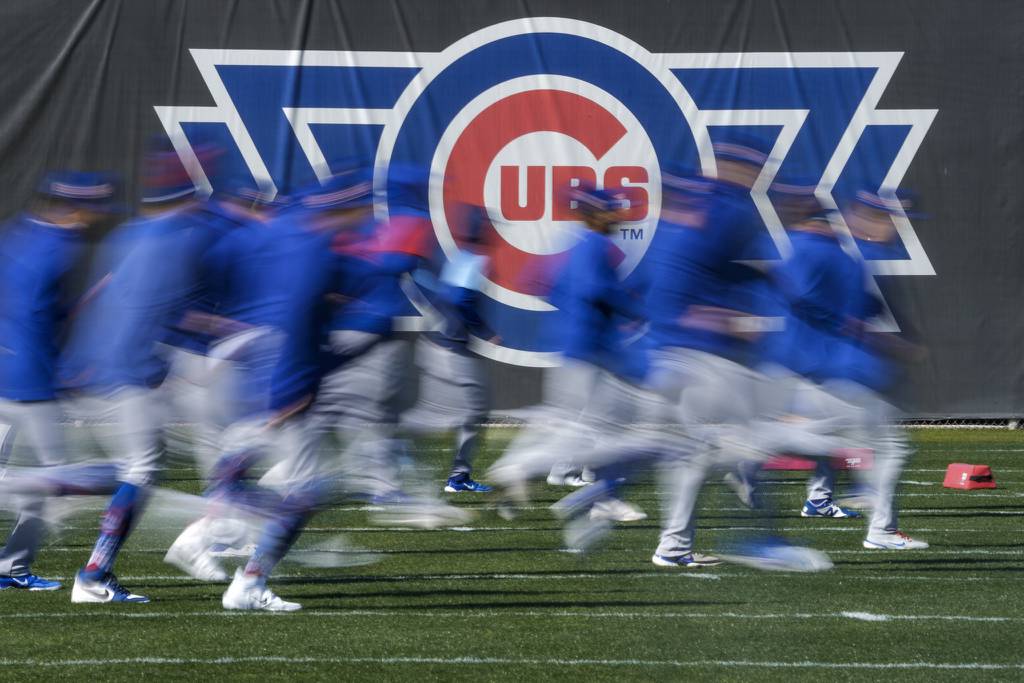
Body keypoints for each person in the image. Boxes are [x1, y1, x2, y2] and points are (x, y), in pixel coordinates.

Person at [0, 172, 117, 591]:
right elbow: (39, 316)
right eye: (95, 208)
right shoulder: (61, 249)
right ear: (76, 208)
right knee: (51, 481)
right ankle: (12, 567)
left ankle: (11, 567)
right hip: (32, 386)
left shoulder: (14, 234)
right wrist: (67, 370)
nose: (99, 217)